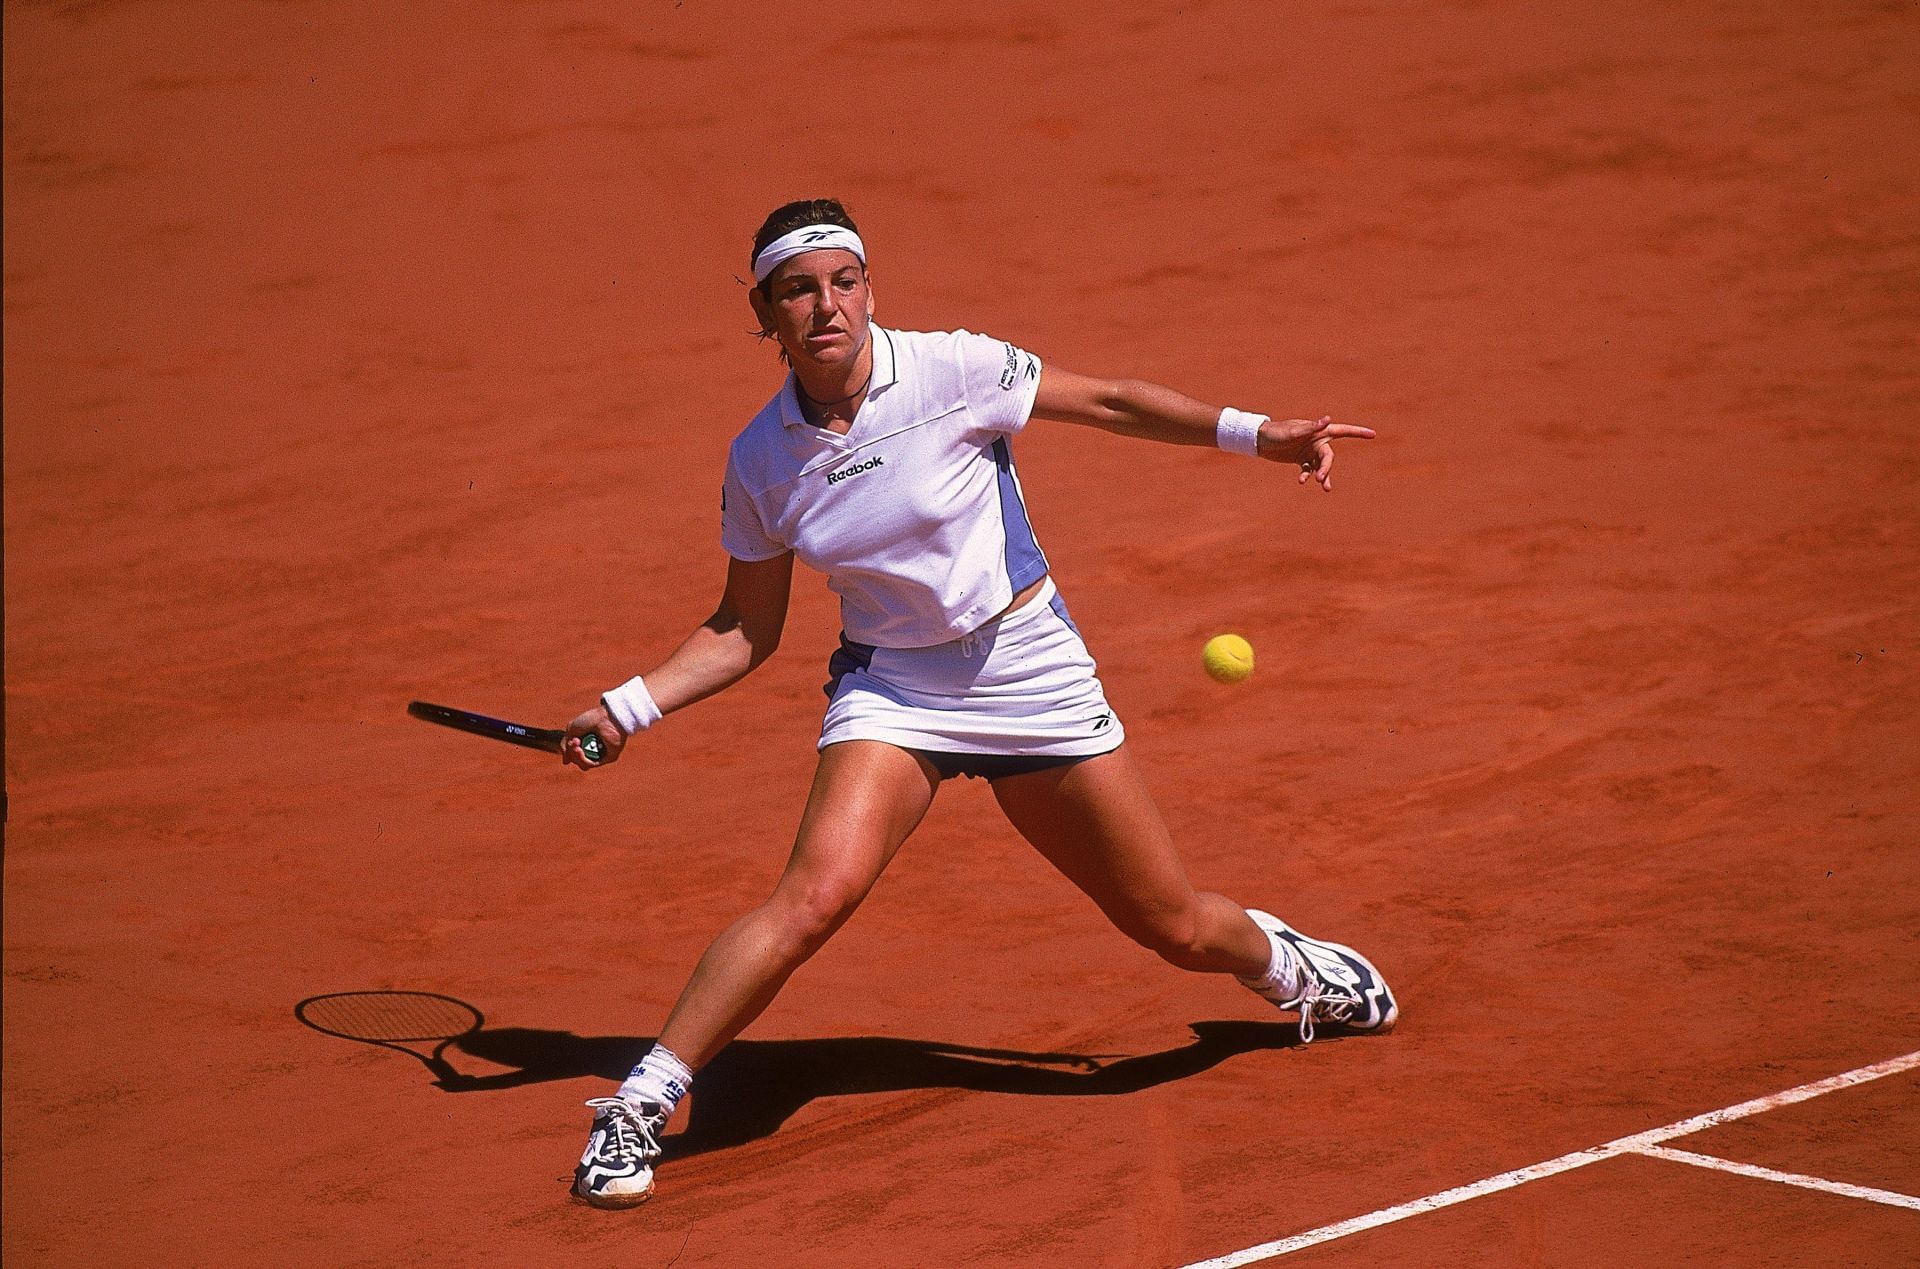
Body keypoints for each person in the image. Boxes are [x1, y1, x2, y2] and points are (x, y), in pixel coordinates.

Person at [561, 199, 1394, 1209]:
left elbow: (1116, 402)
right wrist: (628, 706)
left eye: (844, 281)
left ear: (869, 288)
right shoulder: (760, 460)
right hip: (896, 690)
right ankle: (641, 1102)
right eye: (798, 290)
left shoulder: (954, 369)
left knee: (1170, 925)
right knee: (813, 897)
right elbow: (745, 629)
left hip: (1029, 670)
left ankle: (1281, 964)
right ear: (765, 314)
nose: (827, 305)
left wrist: (1256, 434)